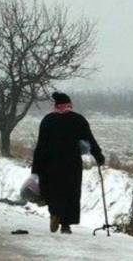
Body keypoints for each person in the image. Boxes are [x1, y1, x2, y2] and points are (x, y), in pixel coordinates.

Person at [32, 92, 105, 235]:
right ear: (69, 105)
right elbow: (90, 140)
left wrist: (36, 168)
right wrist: (98, 156)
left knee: (53, 191)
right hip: (71, 164)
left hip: (49, 164)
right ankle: (66, 225)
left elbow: (40, 146)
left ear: (56, 106)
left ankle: (55, 213)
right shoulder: (78, 120)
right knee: (70, 192)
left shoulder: (48, 120)